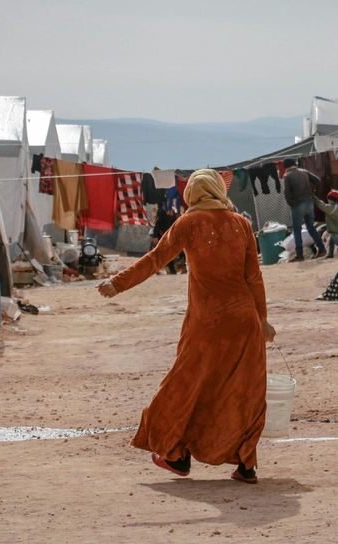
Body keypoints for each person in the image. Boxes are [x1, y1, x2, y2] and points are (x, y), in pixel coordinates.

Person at [97, 169, 276, 484]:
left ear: (191, 194)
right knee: (243, 392)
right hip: (244, 322)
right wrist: (262, 319)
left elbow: (155, 259)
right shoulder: (242, 224)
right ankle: (246, 464)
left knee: (184, 387)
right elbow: (254, 277)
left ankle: (176, 456)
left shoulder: (187, 223)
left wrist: (117, 283)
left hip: (207, 325)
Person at [282, 158, 327, 261]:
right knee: (311, 227)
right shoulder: (304, 172)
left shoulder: (287, 176)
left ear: (285, 167)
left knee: (297, 231)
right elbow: (318, 181)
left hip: (297, 205)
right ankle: (322, 249)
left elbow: (287, 193)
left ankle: (300, 256)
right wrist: (315, 196)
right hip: (309, 203)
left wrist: (291, 204)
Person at [313, 190, 338, 258]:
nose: (328, 201)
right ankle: (330, 254)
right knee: (331, 240)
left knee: (336, 240)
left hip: (334, 228)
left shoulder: (332, 208)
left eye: (329, 199)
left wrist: (314, 198)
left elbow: (322, 206)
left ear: (332, 200)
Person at [151, 204, 179, 274]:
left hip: (168, 236)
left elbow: (174, 225)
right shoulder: (161, 211)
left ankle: (171, 271)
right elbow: (157, 224)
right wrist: (155, 236)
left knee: (168, 253)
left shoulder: (173, 212)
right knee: (157, 253)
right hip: (160, 235)